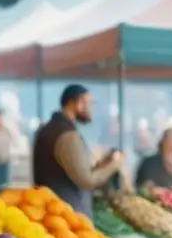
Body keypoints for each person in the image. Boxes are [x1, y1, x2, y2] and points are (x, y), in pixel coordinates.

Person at [32, 84, 123, 217]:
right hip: (68, 219)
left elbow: (72, 172)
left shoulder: (49, 129)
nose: (92, 109)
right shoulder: (67, 135)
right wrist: (113, 165)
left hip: (53, 214)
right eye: (89, 103)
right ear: (78, 103)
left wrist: (101, 165)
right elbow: (86, 181)